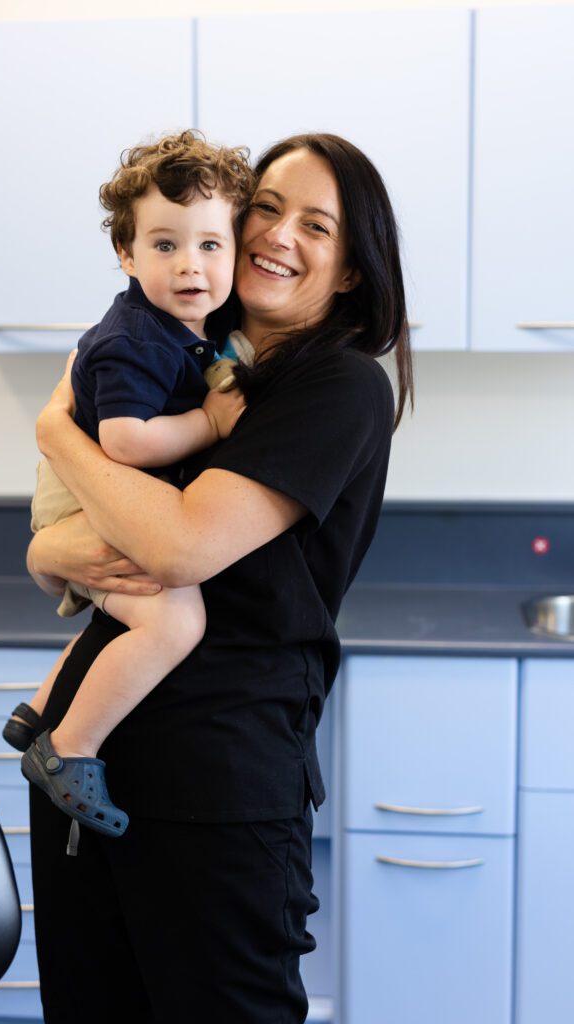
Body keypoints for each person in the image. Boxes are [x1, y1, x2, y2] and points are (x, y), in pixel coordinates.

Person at [26, 132, 413, 1023]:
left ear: (352, 269)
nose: (278, 235)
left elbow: (181, 549)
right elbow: (64, 545)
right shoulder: (187, 354)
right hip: (84, 770)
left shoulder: (339, 388)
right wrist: (47, 549)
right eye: (266, 210)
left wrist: (57, 437)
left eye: (317, 225)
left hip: (216, 787)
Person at [2, 132, 254, 839]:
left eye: (210, 245)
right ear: (125, 253)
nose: (190, 266)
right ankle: (68, 748)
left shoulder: (180, 327)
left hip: (89, 489)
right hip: (80, 493)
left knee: (126, 612)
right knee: (174, 619)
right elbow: (123, 441)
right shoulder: (135, 339)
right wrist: (209, 420)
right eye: (164, 245)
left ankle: (38, 711)